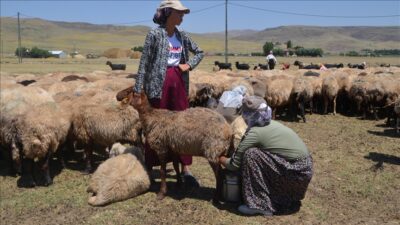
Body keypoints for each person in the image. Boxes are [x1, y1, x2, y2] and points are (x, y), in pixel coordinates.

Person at [132, 0, 204, 187]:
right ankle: (150, 167)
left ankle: (185, 168)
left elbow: (200, 52)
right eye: (179, 13)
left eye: (182, 14)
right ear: (168, 13)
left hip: (178, 83)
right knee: (156, 127)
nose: (182, 17)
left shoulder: (182, 35)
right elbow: (144, 63)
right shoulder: (155, 34)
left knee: (182, 125)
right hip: (158, 85)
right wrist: (138, 89)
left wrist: (188, 65)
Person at [218, 96, 313, 216]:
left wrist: (219, 158)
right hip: (303, 173)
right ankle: (274, 197)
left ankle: (260, 205)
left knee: (251, 155)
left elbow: (233, 165)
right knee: (258, 155)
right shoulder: (273, 124)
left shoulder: (254, 132)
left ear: (247, 115)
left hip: (295, 173)